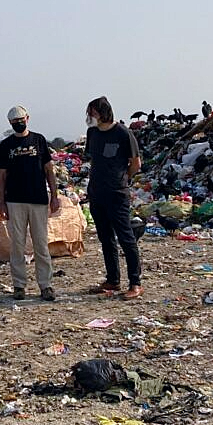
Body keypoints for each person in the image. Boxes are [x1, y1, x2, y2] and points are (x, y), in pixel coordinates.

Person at [0, 105, 59, 301]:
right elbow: (2, 176)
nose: (18, 124)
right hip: (15, 201)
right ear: (10, 123)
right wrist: (2, 202)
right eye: (14, 122)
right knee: (17, 245)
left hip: (38, 200)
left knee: (41, 244)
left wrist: (54, 196)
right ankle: (19, 285)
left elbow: (49, 170)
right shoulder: (6, 145)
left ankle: (45, 285)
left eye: (20, 120)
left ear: (27, 118)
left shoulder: (38, 140)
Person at [85, 96, 143, 299]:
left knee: (126, 238)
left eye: (92, 112)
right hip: (96, 193)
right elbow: (93, 161)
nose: (89, 117)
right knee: (105, 238)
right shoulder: (92, 133)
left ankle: (135, 283)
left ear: (102, 112)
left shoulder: (122, 133)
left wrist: (123, 178)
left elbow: (135, 163)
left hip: (117, 194)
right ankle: (112, 279)